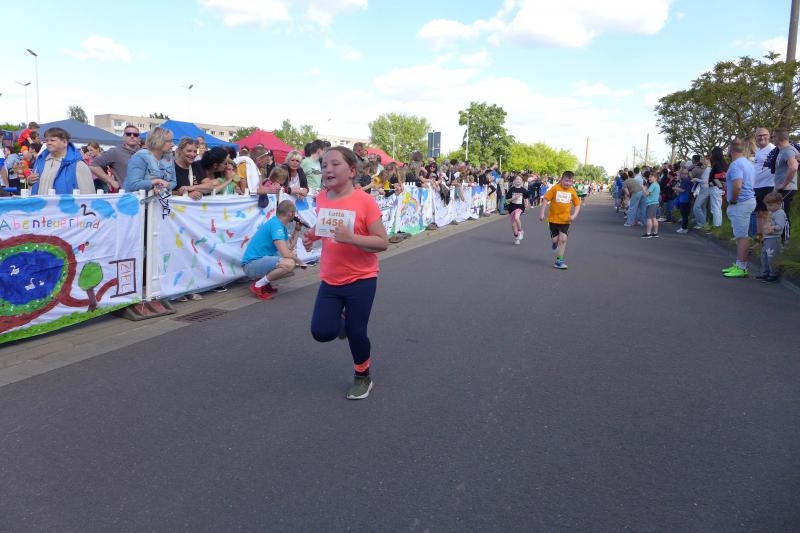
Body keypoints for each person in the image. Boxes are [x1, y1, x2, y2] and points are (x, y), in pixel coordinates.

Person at [303, 146, 389, 400]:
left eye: (335, 164)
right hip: (330, 279)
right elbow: (326, 226)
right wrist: (312, 235)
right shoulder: (322, 197)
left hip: (361, 278)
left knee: (356, 331)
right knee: (321, 332)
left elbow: (382, 242)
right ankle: (342, 323)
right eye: (324, 166)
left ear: (352, 171)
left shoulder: (365, 202)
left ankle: (363, 376)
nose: (327, 169)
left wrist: (352, 238)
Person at [242, 199, 302, 299]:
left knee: (291, 258)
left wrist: (297, 230)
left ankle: (264, 284)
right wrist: (300, 261)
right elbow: (285, 253)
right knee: (289, 263)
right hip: (251, 265)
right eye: (294, 212)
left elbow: (290, 246)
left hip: (256, 262)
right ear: (290, 213)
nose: (294, 215)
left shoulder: (280, 225)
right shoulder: (276, 226)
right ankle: (258, 285)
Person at [721, 139, 757, 278]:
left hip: (740, 203)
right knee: (741, 235)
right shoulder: (748, 163)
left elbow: (737, 186)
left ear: (730, 150)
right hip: (748, 200)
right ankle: (739, 264)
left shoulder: (736, 164)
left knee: (741, 236)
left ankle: (741, 267)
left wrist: (733, 200)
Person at [25, 127, 94, 195]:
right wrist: (30, 181)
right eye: (47, 140)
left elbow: (88, 195)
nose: (48, 143)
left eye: (52, 140)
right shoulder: (40, 161)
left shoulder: (78, 165)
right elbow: (33, 186)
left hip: (66, 203)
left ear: (64, 142)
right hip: (40, 202)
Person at [540, 171, 581, 269]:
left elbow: (577, 204)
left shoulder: (572, 191)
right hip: (553, 219)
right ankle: (554, 243)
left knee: (563, 239)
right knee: (555, 240)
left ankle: (559, 261)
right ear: (561, 179)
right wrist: (542, 213)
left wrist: (574, 215)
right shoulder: (555, 188)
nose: (568, 183)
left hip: (565, 220)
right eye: (566, 181)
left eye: (570, 181)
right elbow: (546, 199)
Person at [124, 127, 176, 192]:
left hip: (160, 198)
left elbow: (173, 182)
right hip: (139, 198)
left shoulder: (169, 158)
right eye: (169, 141)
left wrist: (163, 186)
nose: (173, 144)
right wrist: (156, 181)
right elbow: (133, 185)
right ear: (158, 141)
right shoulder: (140, 157)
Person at [90, 124, 141, 191]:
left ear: (138, 138)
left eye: (135, 134)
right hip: (126, 194)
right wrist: (111, 181)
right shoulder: (115, 152)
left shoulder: (143, 152)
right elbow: (93, 166)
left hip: (145, 193)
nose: (132, 136)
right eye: (128, 134)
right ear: (123, 137)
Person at [772, 128, 798, 238]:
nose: (772, 139)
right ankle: (778, 240)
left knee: (783, 215)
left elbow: (793, 167)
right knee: (778, 214)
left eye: (773, 136)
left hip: (786, 188)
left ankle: (785, 241)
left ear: (779, 138)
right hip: (782, 188)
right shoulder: (784, 151)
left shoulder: (788, 150)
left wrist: (783, 185)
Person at [757, 192, 786, 283]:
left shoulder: (780, 213)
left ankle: (773, 274)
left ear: (779, 203)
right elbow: (767, 222)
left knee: (772, 256)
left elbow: (780, 226)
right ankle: (765, 273)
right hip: (767, 238)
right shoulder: (771, 212)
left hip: (774, 238)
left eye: (770, 205)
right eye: (767, 205)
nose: (768, 207)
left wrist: (772, 228)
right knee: (764, 256)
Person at [753, 128, 776, 239]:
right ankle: (759, 239)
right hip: (757, 186)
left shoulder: (773, 149)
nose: (762, 137)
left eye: (764, 135)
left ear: (769, 136)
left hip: (769, 186)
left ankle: (768, 239)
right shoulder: (757, 150)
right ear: (756, 137)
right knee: (759, 214)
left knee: (767, 214)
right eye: (759, 135)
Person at [505, 175, 529, 244]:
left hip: (520, 207)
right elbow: (507, 200)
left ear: (522, 181)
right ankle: (516, 237)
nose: (518, 180)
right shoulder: (511, 189)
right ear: (514, 181)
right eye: (517, 179)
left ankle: (520, 231)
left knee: (516, 217)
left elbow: (526, 198)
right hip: (512, 207)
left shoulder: (523, 190)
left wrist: (526, 204)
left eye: (520, 179)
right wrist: (514, 198)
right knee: (513, 225)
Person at [708, 147, 728, 229]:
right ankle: (718, 225)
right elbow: (723, 176)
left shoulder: (716, 165)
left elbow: (718, 177)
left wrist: (713, 183)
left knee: (715, 208)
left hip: (716, 188)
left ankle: (716, 225)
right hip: (720, 188)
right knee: (717, 207)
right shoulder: (724, 164)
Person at [690, 154, 709, 229]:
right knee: (703, 207)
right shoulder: (706, 168)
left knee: (696, 207)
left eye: (704, 159)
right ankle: (703, 224)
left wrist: (696, 179)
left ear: (708, 160)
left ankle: (702, 223)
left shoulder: (708, 169)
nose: (703, 161)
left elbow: (706, 181)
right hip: (703, 189)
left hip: (705, 189)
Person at [641, 170, 660, 238]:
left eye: (651, 177)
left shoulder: (653, 185)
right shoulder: (657, 185)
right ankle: (655, 233)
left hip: (651, 204)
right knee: (654, 218)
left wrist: (643, 188)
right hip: (655, 203)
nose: (649, 178)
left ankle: (648, 234)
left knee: (649, 219)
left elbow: (646, 194)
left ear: (655, 178)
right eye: (649, 177)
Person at [673, 168, 692, 234]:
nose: (680, 175)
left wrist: (675, 188)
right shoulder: (686, 180)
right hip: (684, 199)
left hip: (685, 199)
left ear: (683, 174)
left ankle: (684, 228)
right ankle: (683, 228)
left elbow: (682, 190)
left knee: (684, 215)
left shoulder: (686, 180)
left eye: (680, 174)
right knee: (684, 215)